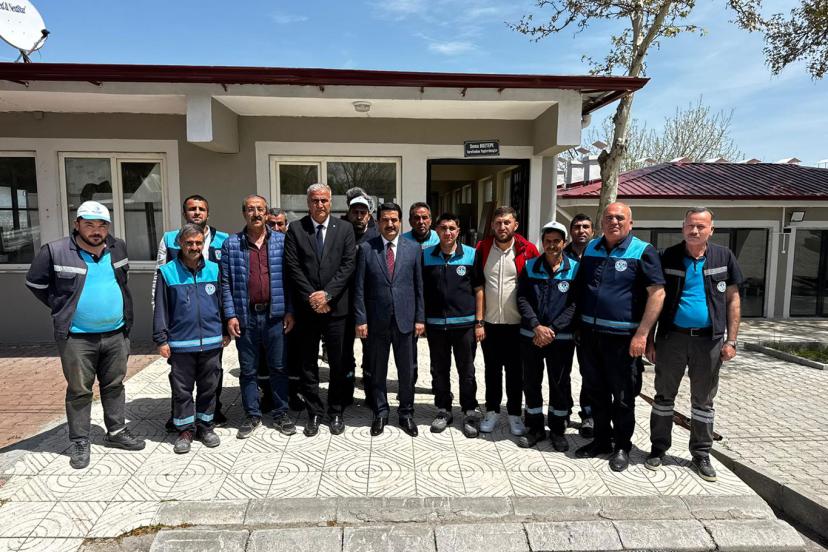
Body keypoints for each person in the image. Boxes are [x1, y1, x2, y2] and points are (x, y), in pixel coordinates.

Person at [26, 201, 145, 469]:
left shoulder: (118, 247)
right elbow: (35, 283)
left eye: (102, 225)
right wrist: (62, 306)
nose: (96, 230)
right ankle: (80, 440)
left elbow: (121, 283)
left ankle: (116, 431)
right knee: (80, 390)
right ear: (76, 224)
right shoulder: (55, 251)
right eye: (89, 224)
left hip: (116, 333)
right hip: (77, 338)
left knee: (114, 385)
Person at [645, 207, 743, 482]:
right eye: (690, 225)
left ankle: (701, 454)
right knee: (663, 397)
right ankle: (658, 448)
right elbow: (655, 297)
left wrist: (731, 340)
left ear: (711, 230)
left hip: (709, 342)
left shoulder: (724, 257)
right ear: (683, 227)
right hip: (672, 339)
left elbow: (733, 300)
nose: (695, 230)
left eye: (701, 226)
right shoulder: (668, 256)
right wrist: (649, 338)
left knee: (703, 401)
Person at [573, 202, 665, 472]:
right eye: (609, 217)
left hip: (623, 338)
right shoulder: (591, 248)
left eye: (620, 218)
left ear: (630, 223)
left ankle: (622, 446)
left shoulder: (642, 251)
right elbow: (581, 288)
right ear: (602, 222)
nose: (614, 222)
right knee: (596, 392)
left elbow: (657, 294)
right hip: (590, 336)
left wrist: (643, 334)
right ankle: (601, 440)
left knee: (623, 397)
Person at [221, 195, 295, 439]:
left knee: (279, 367)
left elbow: (290, 280)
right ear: (244, 213)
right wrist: (230, 315)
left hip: (275, 315)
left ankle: (281, 413)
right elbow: (225, 283)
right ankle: (252, 414)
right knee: (248, 370)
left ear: (266, 213)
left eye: (260, 209)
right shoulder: (232, 244)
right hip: (246, 316)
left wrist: (290, 311)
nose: (256, 213)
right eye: (251, 209)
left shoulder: (282, 241)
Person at [284, 183, 356, 437]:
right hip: (307, 310)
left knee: (338, 362)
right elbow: (293, 266)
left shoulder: (345, 228)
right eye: (315, 200)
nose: (320, 204)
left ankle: (336, 410)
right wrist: (313, 297)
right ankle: (314, 411)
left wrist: (327, 295)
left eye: (324, 200)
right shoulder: (296, 229)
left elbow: (348, 265)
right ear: (308, 203)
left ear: (330, 202)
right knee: (307, 363)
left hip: (337, 309)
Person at [154, 195, 229, 432]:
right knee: (181, 386)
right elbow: (160, 296)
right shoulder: (168, 253)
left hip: (211, 334)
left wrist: (226, 327)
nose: (197, 212)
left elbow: (224, 297)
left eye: (201, 209)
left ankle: (207, 421)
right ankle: (183, 427)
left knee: (210, 382)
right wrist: (161, 336)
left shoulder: (220, 248)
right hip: (181, 335)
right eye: (192, 208)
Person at [354, 202, 425, 437]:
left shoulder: (413, 249)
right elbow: (359, 288)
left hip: (406, 320)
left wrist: (420, 318)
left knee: (407, 371)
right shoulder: (366, 249)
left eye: (394, 219)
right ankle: (381, 412)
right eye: (385, 220)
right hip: (376, 322)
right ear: (378, 222)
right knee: (377, 370)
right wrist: (361, 319)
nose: (390, 224)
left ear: (400, 222)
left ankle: (406, 413)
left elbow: (419, 287)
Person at [475, 206, 539, 436]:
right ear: (492, 225)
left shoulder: (528, 250)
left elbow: (536, 287)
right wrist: (479, 322)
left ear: (515, 225)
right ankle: (492, 410)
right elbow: (478, 286)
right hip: (490, 324)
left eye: (507, 222)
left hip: (517, 324)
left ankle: (514, 414)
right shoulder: (482, 248)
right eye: (498, 223)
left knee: (515, 372)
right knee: (492, 370)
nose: (502, 227)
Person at [516, 221, 578, 450]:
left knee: (560, 383)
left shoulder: (575, 268)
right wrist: (536, 326)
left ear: (564, 242)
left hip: (560, 339)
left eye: (556, 241)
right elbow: (522, 298)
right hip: (531, 336)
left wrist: (552, 329)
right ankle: (535, 428)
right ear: (542, 243)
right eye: (548, 241)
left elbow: (575, 304)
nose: (552, 245)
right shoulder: (530, 266)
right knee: (531, 382)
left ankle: (558, 429)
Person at [422, 212, 485, 438]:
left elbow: (479, 290)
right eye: (443, 228)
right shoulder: (426, 255)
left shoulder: (471, 254)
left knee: (466, 371)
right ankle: (443, 409)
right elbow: (421, 291)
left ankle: (469, 410)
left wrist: (479, 322)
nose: (447, 232)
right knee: (439, 370)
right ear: (436, 230)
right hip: (436, 325)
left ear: (458, 231)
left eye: (451, 228)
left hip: (465, 325)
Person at [342, 194, 380, 407]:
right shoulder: (339, 233)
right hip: (345, 301)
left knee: (371, 351)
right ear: (348, 213)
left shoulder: (376, 236)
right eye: (355, 212)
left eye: (363, 212)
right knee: (345, 351)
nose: (358, 216)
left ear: (369, 215)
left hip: (369, 303)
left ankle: (371, 393)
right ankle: (346, 391)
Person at [563, 213, 595, 438]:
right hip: (564, 324)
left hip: (589, 325)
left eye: (585, 227)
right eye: (576, 227)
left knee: (589, 372)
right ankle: (562, 410)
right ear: (571, 231)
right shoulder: (561, 255)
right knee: (562, 371)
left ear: (592, 231)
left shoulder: (598, 255)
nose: (581, 231)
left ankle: (588, 415)